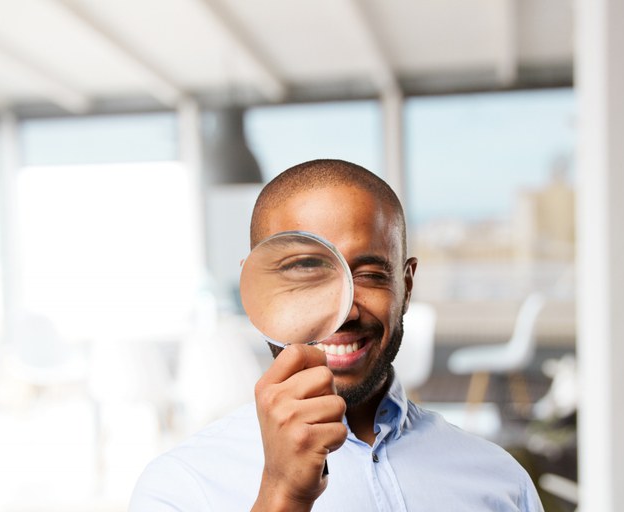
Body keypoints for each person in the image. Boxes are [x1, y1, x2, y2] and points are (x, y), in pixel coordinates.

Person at [129, 159, 543, 511]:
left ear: (407, 285)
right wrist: (282, 493)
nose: (341, 312)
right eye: (306, 270)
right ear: (256, 289)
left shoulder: (500, 482)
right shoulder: (180, 487)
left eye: (368, 274)